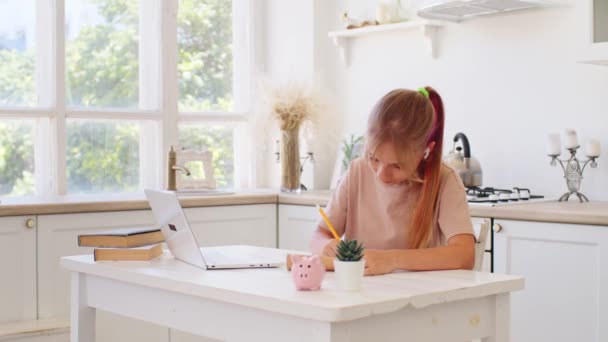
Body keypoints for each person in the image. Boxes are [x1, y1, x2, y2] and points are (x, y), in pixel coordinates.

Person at [310, 87, 475, 276]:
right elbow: (319, 235)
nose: (382, 174)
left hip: (421, 296)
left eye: (396, 166)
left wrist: (392, 260)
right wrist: (325, 246)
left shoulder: (445, 180)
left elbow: (465, 255)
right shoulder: (357, 170)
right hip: (363, 293)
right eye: (374, 158)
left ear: (425, 151)